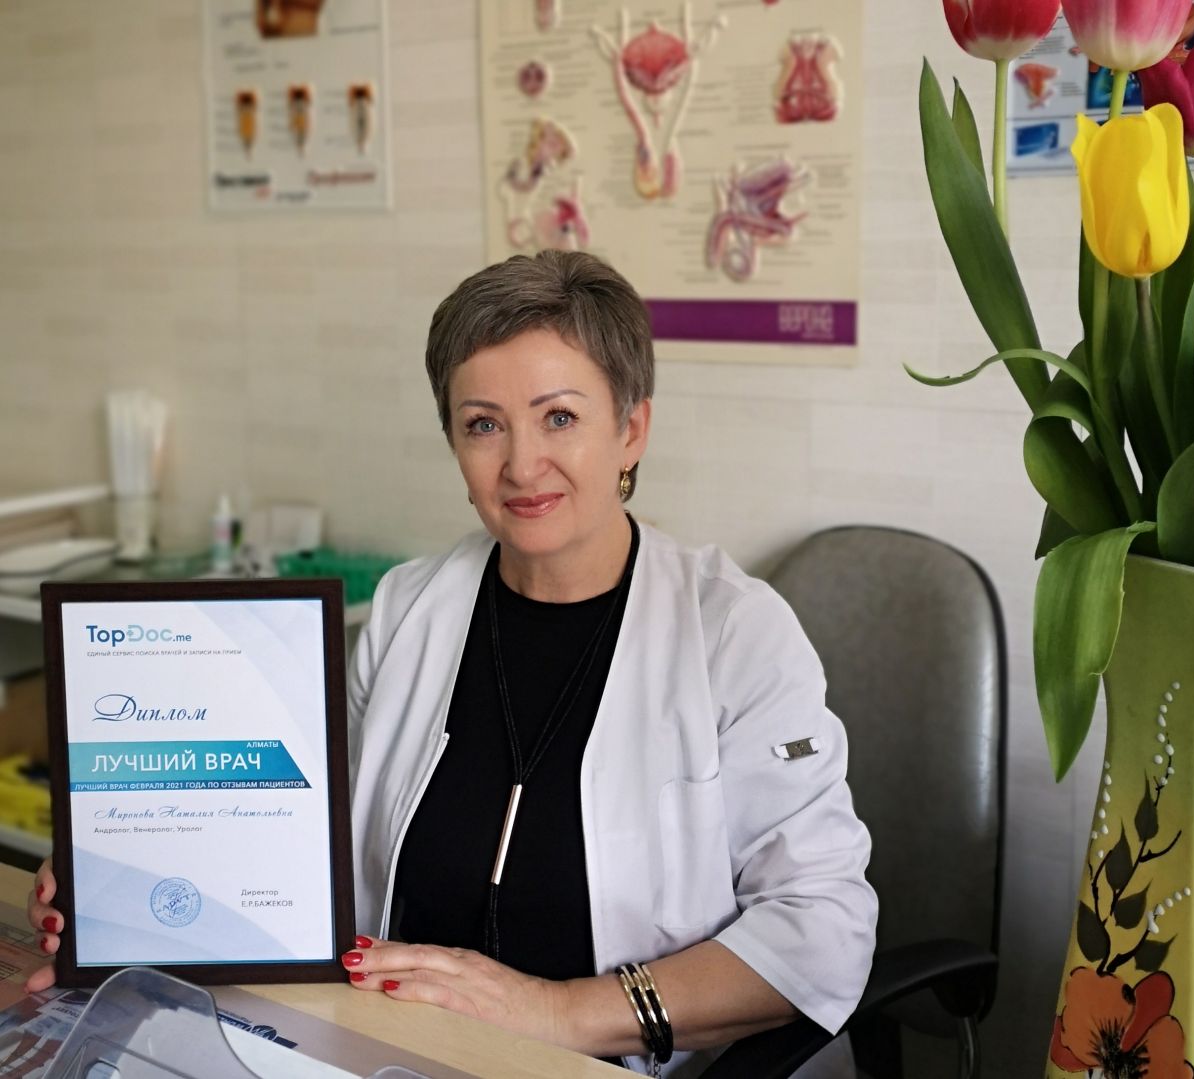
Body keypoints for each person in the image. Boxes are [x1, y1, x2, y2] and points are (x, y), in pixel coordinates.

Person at [27, 251, 876, 1076]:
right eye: (483, 425)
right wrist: (121, 886)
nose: (521, 464)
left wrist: (557, 1011)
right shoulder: (408, 609)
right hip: (395, 1050)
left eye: (559, 417)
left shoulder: (733, 633)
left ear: (631, 429)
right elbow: (295, 845)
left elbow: (823, 930)